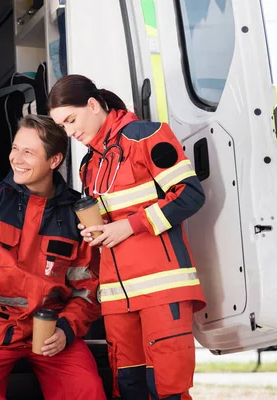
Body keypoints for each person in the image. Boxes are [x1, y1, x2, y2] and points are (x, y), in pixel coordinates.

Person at [48, 74, 206, 400]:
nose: (70, 132)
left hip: (162, 288)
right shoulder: (88, 165)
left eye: (71, 120)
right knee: (129, 387)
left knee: (166, 389)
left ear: (93, 105)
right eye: (62, 126)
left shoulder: (147, 136)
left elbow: (190, 195)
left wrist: (129, 226)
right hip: (118, 297)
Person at [0, 114, 107, 400]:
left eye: (28, 152)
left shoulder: (77, 213)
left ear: (54, 161)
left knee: (87, 388)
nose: (16, 158)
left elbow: (87, 289)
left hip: (52, 331)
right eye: (15, 148)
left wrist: (66, 330)